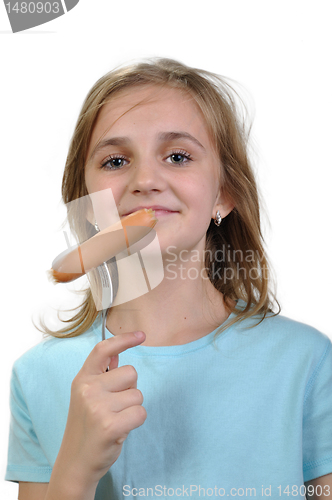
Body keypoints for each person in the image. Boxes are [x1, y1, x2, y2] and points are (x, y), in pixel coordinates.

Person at [5, 58, 332, 500]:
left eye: (178, 156)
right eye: (116, 160)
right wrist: (74, 473)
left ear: (225, 193)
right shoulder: (37, 374)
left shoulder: (307, 362)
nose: (144, 180)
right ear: (84, 198)